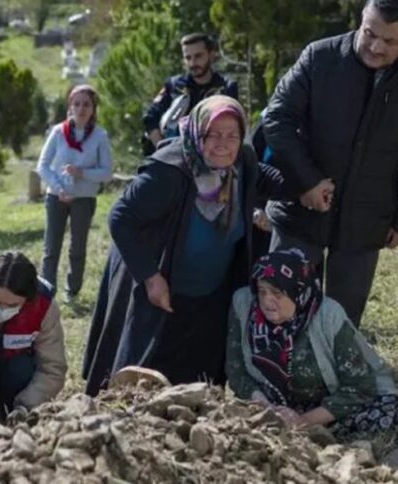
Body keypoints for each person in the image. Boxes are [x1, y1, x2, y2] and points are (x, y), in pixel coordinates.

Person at [82, 95, 285, 396]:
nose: (223, 144)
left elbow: (274, 181)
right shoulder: (170, 170)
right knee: (138, 382)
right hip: (159, 286)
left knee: (196, 386)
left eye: (233, 135)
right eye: (213, 134)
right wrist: (151, 279)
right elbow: (120, 217)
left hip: (208, 294)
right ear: (196, 131)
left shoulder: (242, 160)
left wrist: (311, 184)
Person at [262, 0, 398, 327]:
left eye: (390, 42)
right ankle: (273, 376)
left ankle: (329, 377)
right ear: (362, 18)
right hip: (299, 211)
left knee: (341, 324)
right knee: (280, 307)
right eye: (369, 33)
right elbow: (276, 119)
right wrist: (307, 181)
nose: (375, 47)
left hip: (366, 219)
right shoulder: (320, 56)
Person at [226, 249, 398, 439]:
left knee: (386, 417)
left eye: (277, 293)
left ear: (298, 292)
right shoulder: (244, 304)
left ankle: (317, 437)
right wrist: (267, 409)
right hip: (275, 404)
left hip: (330, 403)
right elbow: (236, 371)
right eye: (262, 291)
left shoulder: (329, 316)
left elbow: (359, 387)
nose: (267, 300)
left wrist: (302, 422)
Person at [36, 84, 113, 301]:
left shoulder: (99, 136)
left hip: (84, 199)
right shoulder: (58, 132)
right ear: (70, 106)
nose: (81, 109)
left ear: (93, 109)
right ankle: (46, 292)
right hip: (56, 197)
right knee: (51, 247)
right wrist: (58, 188)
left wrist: (82, 173)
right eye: (76, 103)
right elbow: (42, 165)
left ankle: (73, 290)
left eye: (86, 104)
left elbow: (107, 172)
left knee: (77, 247)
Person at [0, 252, 67, 412]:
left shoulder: (43, 306)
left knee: (20, 367)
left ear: (28, 300)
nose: (1, 310)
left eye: (12, 306)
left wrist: (26, 406)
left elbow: (52, 368)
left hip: (15, 382)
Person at [142, 33, 239, 156]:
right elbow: (150, 119)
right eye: (188, 58)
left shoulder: (226, 88)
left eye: (198, 56)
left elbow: (232, 127)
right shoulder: (174, 85)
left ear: (211, 54)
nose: (193, 63)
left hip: (212, 157)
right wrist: (163, 150)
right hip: (173, 155)